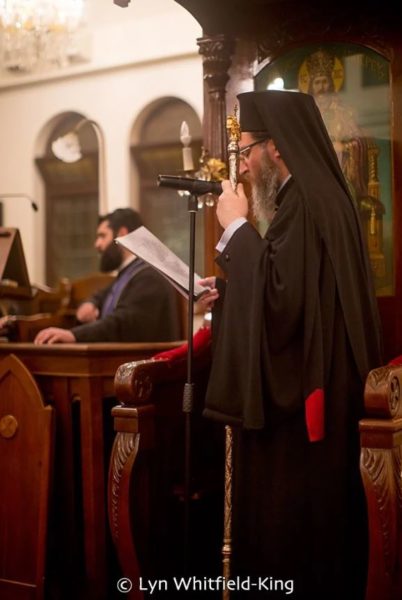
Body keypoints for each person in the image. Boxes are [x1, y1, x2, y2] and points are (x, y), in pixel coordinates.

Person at [199, 90, 383, 599]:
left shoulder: (305, 202)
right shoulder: (318, 195)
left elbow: (282, 303)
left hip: (306, 404)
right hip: (326, 382)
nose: (243, 165)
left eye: (246, 150)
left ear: (275, 146)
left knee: (297, 537)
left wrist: (237, 228)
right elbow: (290, 285)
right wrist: (230, 290)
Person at [34, 208, 181, 344]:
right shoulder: (129, 272)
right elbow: (103, 294)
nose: (97, 244)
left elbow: (122, 323)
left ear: (122, 234)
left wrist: (74, 335)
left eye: (102, 236)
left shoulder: (150, 276)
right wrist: (91, 303)